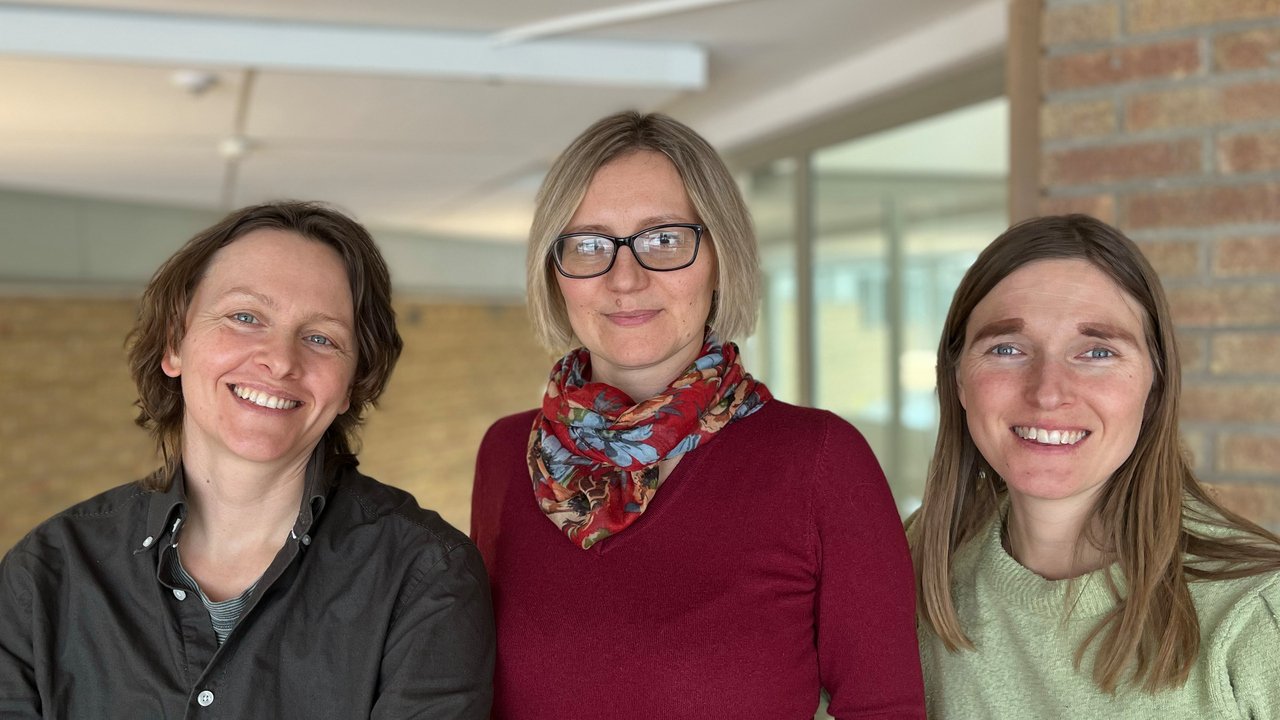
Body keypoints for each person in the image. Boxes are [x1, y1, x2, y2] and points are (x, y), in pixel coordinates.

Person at [470, 111, 924, 719]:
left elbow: (885, 708)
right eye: (589, 244)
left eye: (663, 240)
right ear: (555, 272)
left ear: (719, 255)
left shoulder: (820, 460)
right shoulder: (506, 453)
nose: (625, 279)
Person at [0, 202, 495, 718]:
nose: (280, 360)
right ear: (174, 344)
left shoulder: (425, 575)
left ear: (351, 384)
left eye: (321, 338)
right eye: (245, 317)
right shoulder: (45, 575)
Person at [910, 214, 1280, 719]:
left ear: (1155, 385)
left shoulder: (1258, 614)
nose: (1047, 393)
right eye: (1007, 348)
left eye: (1097, 352)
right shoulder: (907, 567)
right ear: (957, 381)